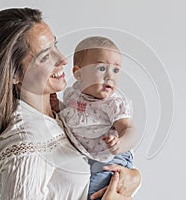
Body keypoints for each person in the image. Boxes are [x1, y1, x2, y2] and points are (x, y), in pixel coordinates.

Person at [0, 7, 140, 200]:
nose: (63, 59)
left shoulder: (61, 114)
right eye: (46, 56)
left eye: (55, 45)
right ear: (14, 74)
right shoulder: (24, 141)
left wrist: (133, 178)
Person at [57, 36, 137, 199]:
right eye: (101, 68)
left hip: (111, 157)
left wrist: (120, 144)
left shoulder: (113, 103)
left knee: (93, 192)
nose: (110, 76)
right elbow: (71, 117)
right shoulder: (74, 95)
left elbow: (129, 129)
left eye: (116, 70)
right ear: (78, 73)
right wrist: (56, 106)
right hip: (89, 155)